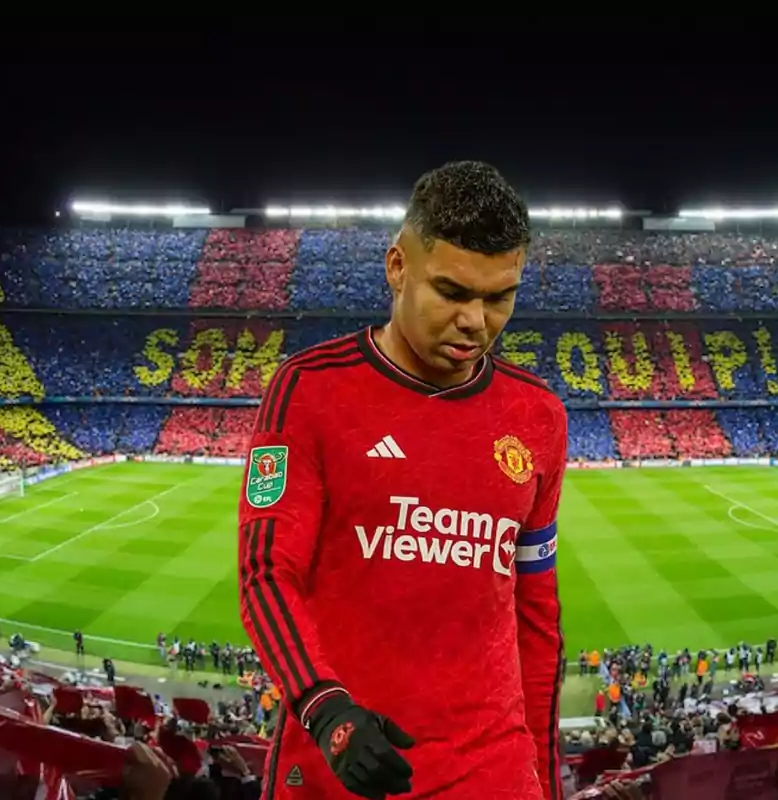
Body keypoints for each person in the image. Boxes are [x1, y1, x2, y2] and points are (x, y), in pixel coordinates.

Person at [239, 161, 565, 799]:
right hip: (341, 762)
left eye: (499, 297)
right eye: (452, 292)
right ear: (397, 267)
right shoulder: (307, 390)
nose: (476, 321)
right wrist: (327, 709)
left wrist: (544, 778)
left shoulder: (539, 416)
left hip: (492, 770)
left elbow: (537, 613)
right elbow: (266, 573)